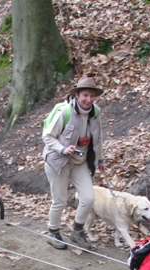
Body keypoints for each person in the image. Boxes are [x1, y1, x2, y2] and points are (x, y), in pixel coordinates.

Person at [42, 74, 105, 251]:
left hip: (80, 161)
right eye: (85, 95)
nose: (88, 99)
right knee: (60, 200)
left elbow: (98, 137)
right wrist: (62, 149)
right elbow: (47, 136)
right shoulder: (65, 112)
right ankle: (52, 232)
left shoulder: (96, 112)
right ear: (77, 95)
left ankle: (77, 231)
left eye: (92, 96)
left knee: (88, 198)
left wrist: (100, 158)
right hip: (58, 161)